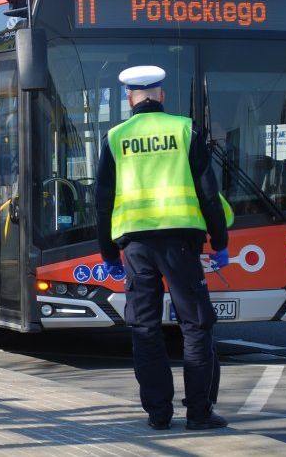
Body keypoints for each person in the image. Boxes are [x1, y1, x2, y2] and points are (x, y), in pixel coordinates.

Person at [94, 66, 230, 431]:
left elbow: (102, 202)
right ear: (162, 96)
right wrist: (220, 243)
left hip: (135, 246)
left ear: (129, 98)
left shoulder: (115, 137)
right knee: (196, 324)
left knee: (144, 327)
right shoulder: (185, 130)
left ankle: (158, 413)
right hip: (181, 245)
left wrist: (108, 254)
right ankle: (199, 412)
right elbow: (208, 194)